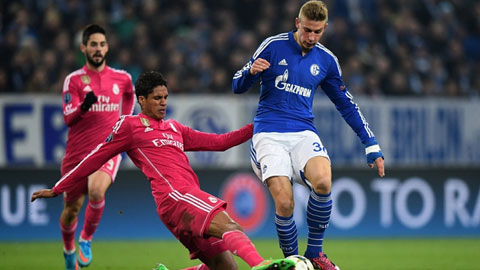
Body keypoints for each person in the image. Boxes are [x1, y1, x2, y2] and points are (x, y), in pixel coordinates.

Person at [31, 71, 295, 270]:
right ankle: (262, 265)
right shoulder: (129, 126)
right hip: (176, 197)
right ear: (141, 100)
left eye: (165, 97)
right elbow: (95, 158)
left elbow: (220, 143)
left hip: (183, 201)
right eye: (157, 98)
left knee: (226, 268)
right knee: (232, 225)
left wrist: (258, 125)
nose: (163, 102)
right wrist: (59, 188)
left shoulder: (175, 128)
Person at [231, 1, 385, 270]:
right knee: (285, 200)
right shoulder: (272, 45)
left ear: (324, 28)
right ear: (297, 23)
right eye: (307, 31)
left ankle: (314, 253)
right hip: (268, 132)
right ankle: (293, 260)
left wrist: (370, 142)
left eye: (317, 32)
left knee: (324, 181)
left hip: (303, 131)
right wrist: (250, 73)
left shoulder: (326, 60)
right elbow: (237, 84)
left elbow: (346, 103)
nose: (311, 37)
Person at [58, 24, 135, 270]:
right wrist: (83, 106)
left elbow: (130, 95)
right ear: (83, 48)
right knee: (71, 210)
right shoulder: (73, 80)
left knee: (97, 191)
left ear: (107, 47)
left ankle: (86, 240)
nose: (98, 49)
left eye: (102, 44)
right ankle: (69, 250)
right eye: (93, 44)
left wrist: (124, 122)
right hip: (77, 155)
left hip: (107, 150)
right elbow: (68, 118)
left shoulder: (122, 79)